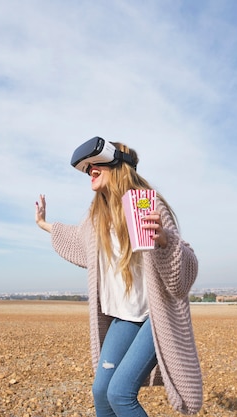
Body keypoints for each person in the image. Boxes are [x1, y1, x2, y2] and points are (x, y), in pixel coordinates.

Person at [35, 137, 202, 416]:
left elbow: (184, 275)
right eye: (86, 168)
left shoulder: (147, 206)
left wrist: (165, 241)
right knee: (101, 393)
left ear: (118, 164)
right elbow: (78, 241)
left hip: (154, 316)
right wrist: (43, 224)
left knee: (120, 394)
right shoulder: (97, 217)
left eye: (95, 165)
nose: (90, 171)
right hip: (124, 317)